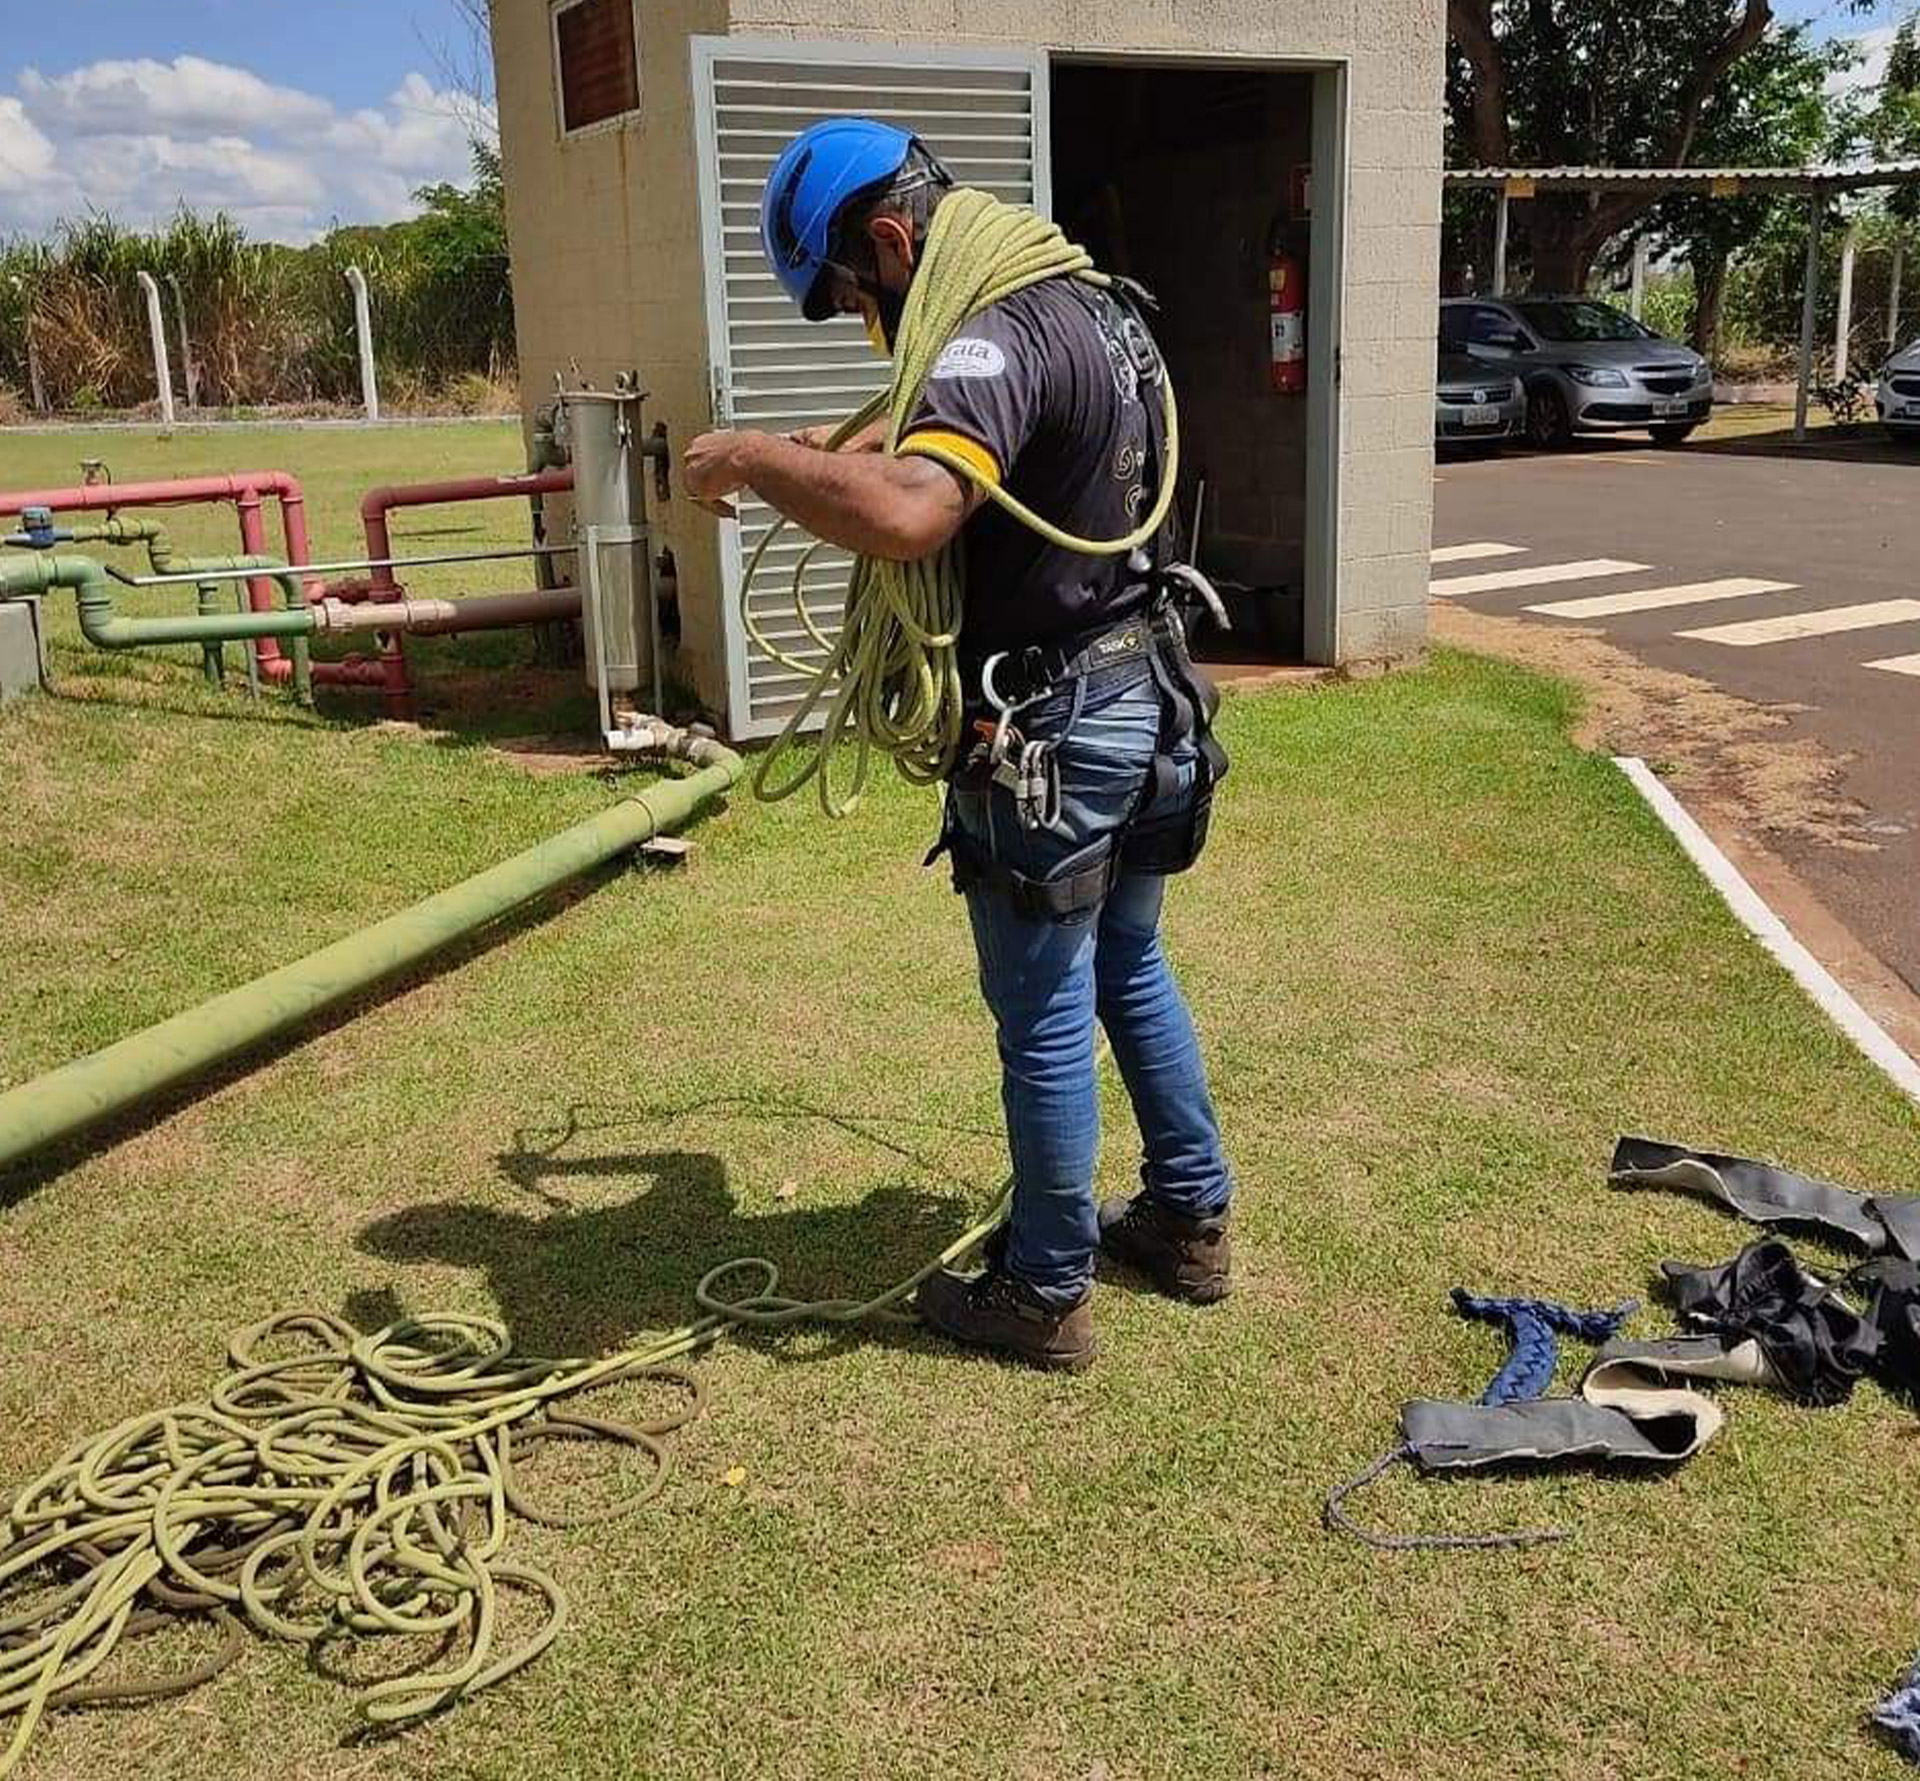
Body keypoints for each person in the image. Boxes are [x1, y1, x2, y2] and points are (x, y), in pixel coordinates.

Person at [683, 118, 1234, 1373]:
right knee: (1129, 964)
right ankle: (1190, 1218)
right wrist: (833, 445)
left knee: (1043, 1012)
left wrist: (753, 455)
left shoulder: (989, 330)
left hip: (1053, 728)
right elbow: (965, 435)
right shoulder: (1093, 305)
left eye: (850, 293)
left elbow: (918, 513)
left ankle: (1044, 1291)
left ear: (890, 237)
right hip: (1147, 697)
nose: (864, 321)